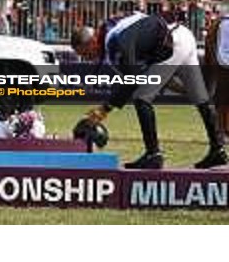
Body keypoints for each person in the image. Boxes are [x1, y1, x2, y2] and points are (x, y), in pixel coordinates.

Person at [71, 12, 227, 170]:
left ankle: (153, 154)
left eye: (85, 53)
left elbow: (132, 79)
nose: (87, 58)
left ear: (92, 41)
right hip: (182, 35)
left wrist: (104, 109)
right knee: (200, 97)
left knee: (141, 98)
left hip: (170, 41)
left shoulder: (113, 42)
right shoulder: (114, 26)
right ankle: (218, 150)